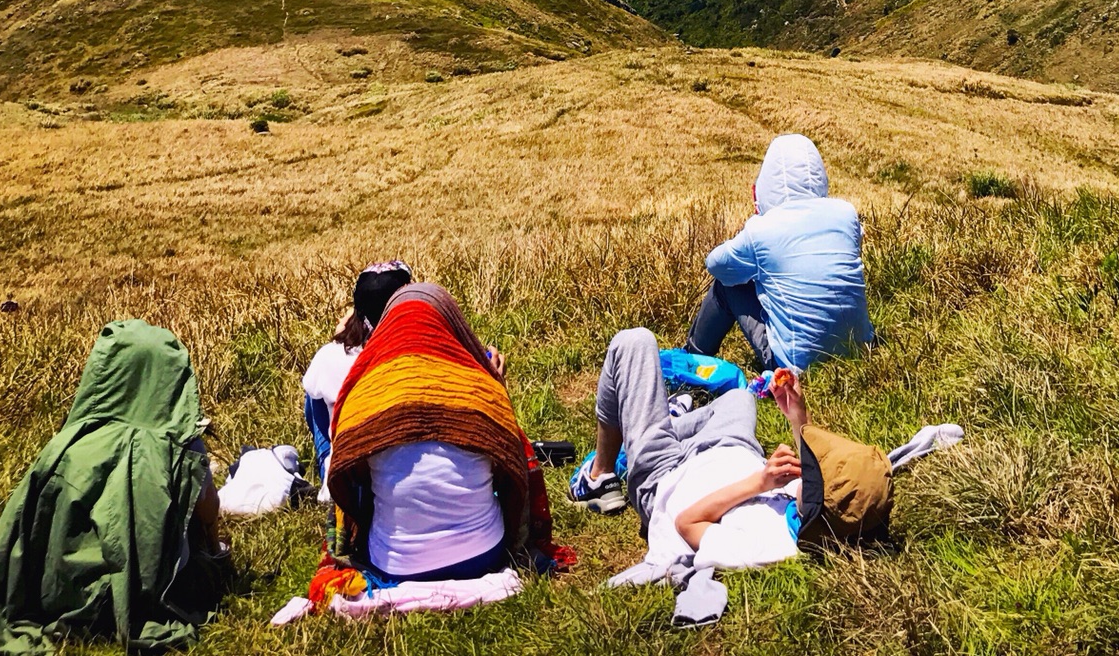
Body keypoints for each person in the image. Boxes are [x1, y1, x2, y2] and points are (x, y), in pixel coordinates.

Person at [0, 320, 229, 656]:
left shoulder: (65, 445)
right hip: (147, 593)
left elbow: (21, 528)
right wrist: (216, 554)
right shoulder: (180, 447)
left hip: (58, 593)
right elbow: (209, 509)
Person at [326, 282, 560, 580]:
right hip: (482, 556)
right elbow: (510, 465)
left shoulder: (365, 395)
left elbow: (348, 476)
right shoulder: (479, 388)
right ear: (451, 324)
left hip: (395, 565)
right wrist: (497, 388)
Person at [573, 328, 801, 574]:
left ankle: (599, 477)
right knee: (738, 397)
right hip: (733, 446)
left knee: (634, 342)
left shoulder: (771, 546)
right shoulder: (810, 498)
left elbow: (687, 522)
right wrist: (798, 413)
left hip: (667, 475)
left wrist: (760, 483)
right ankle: (663, 422)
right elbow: (819, 471)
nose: (814, 477)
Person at [687, 134, 874, 371]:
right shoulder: (846, 212)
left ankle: (693, 356)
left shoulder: (762, 229)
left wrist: (755, 238)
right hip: (860, 349)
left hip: (795, 365)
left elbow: (715, 264)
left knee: (728, 285)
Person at [301, 260, 412, 482]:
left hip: (349, 476)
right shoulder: (416, 353)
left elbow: (315, 407)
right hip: (403, 474)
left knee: (314, 397)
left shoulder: (329, 355)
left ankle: (327, 466)